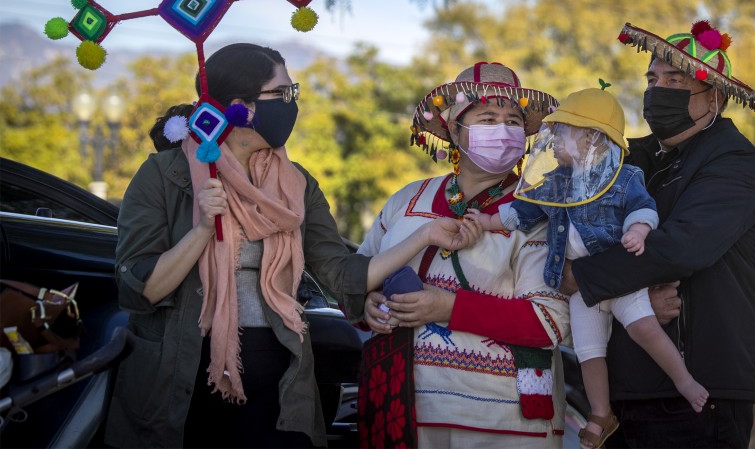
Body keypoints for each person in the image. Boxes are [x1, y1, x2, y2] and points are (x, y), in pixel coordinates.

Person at [103, 43, 481, 448]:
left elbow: (341, 274)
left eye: (292, 91)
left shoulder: (296, 183)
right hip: (179, 388)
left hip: (279, 391)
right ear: (239, 106)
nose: (292, 103)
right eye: (282, 93)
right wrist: (200, 230)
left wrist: (423, 236)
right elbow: (139, 288)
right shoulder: (165, 175)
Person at [467, 87, 708, 448]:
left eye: (563, 132)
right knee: (589, 352)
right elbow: (523, 211)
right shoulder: (555, 183)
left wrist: (639, 231)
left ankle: (684, 380)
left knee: (645, 329)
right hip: (582, 291)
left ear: (591, 138)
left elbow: (643, 209)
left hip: (619, 281)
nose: (555, 140)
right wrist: (488, 223)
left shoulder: (625, 177)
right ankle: (600, 413)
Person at [566, 21, 755, 448]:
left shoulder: (733, 160)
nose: (658, 90)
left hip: (696, 396)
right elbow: (568, 185)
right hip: (627, 390)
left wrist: (577, 280)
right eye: (652, 79)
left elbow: (680, 248)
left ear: (714, 97)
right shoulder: (634, 157)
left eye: (675, 80)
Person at [359, 61, 571, 448]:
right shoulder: (408, 200)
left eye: (513, 121)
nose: (505, 130)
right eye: (488, 118)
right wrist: (366, 305)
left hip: (502, 425)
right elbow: (354, 277)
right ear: (455, 130)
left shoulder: (541, 211)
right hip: (402, 411)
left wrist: (447, 307)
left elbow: (548, 324)